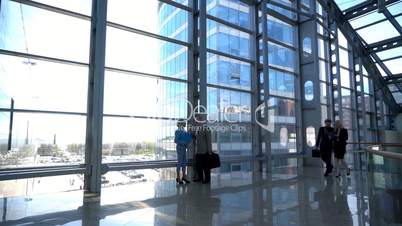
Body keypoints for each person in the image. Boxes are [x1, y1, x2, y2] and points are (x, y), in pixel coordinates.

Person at [193, 114, 213, 184]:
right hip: (198, 151)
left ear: (201, 120)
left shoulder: (206, 128)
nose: (196, 122)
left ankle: (207, 179)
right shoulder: (197, 129)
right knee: (199, 166)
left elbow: (209, 140)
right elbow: (199, 139)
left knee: (206, 167)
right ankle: (200, 178)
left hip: (205, 151)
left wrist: (209, 151)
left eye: (197, 120)